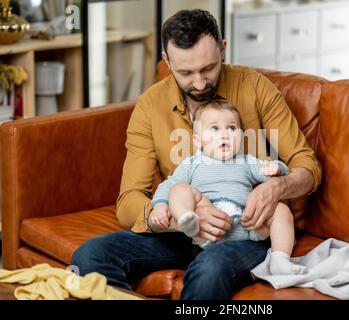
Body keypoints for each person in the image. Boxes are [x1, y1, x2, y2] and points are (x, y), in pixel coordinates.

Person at [71, 9, 321, 299]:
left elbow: (308, 167)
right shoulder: (151, 106)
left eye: (208, 68)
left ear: (223, 49)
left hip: (244, 231)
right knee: (89, 256)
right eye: (186, 73)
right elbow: (128, 202)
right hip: (180, 233)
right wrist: (179, 218)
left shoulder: (255, 88)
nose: (200, 83)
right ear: (167, 61)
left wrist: (276, 188)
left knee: (210, 268)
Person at [150, 99, 306, 276]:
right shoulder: (192, 163)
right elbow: (168, 185)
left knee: (280, 209)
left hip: (246, 226)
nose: (224, 135)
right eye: (214, 128)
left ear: (240, 136)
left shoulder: (246, 161)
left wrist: (276, 168)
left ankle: (280, 259)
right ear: (197, 140)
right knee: (179, 188)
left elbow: (279, 174)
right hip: (204, 229)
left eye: (231, 128)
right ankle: (187, 218)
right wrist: (160, 205)